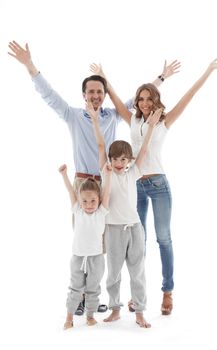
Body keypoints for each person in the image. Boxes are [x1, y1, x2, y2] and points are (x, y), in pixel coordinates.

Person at [7, 40, 180, 315]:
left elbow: (137, 98)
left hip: (109, 184)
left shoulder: (112, 115)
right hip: (83, 184)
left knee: (103, 246)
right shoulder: (72, 115)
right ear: (84, 95)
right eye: (91, 92)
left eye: (100, 91)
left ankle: (93, 298)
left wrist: (162, 77)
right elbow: (48, 94)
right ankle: (77, 298)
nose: (96, 95)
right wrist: (30, 65)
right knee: (83, 241)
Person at [90, 58, 217, 316]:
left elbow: (191, 93)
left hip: (159, 184)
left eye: (148, 98)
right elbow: (117, 97)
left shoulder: (164, 121)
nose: (144, 102)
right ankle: (137, 295)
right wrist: (103, 76)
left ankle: (167, 291)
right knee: (138, 242)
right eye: (141, 98)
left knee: (163, 238)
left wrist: (208, 69)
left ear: (155, 100)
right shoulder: (132, 120)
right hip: (136, 186)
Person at [87, 99, 163, 328]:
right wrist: (94, 120)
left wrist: (150, 127)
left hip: (134, 228)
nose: (119, 163)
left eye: (123, 159)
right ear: (110, 160)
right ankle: (115, 309)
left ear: (129, 161)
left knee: (137, 271)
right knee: (113, 273)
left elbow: (145, 148)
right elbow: (101, 146)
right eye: (115, 159)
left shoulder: (133, 172)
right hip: (113, 229)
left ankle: (139, 311)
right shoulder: (105, 172)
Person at [59, 163, 112, 329]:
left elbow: (107, 191)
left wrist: (108, 175)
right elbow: (70, 191)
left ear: (99, 199)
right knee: (75, 288)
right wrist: (64, 175)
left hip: (96, 257)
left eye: (93, 201)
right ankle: (69, 318)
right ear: (80, 201)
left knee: (93, 288)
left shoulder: (101, 211)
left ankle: (90, 316)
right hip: (78, 257)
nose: (89, 204)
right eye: (85, 201)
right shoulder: (78, 210)